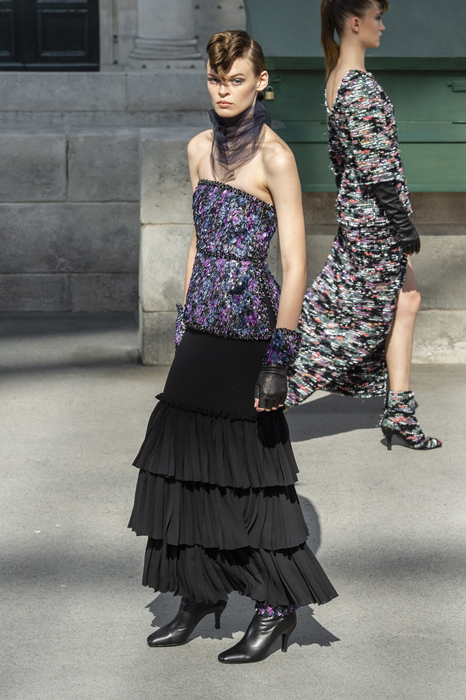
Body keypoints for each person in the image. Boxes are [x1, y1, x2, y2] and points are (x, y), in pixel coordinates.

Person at [128, 30, 337, 664]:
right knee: (182, 462)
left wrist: (281, 356)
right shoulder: (197, 149)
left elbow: (296, 265)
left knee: (250, 473)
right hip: (201, 325)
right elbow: (198, 241)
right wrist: (183, 318)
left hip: (251, 331)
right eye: (216, 80)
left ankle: (275, 606)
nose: (224, 91)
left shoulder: (276, 158)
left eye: (236, 80)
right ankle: (199, 590)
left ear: (261, 82)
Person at [287, 0, 441, 451]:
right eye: (378, 18)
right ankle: (267, 386)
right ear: (356, 23)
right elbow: (377, 170)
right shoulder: (360, 86)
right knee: (341, 325)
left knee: (406, 301)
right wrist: (403, 226)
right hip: (375, 224)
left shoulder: (338, 80)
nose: (383, 26)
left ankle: (400, 413)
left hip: (361, 219)